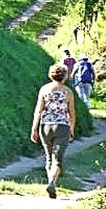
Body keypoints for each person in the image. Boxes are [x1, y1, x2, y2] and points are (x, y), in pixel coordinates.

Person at [30, 63, 76, 199]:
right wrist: (72, 129)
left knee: (49, 157)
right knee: (58, 160)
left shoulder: (44, 90)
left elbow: (38, 111)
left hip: (46, 126)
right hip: (62, 126)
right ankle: (52, 183)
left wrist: (34, 128)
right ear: (65, 76)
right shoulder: (68, 92)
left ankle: (50, 182)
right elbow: (72, 112)